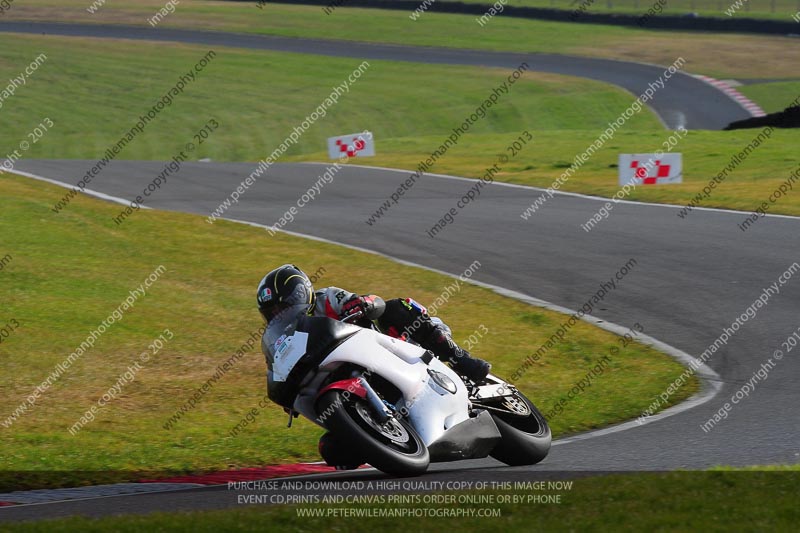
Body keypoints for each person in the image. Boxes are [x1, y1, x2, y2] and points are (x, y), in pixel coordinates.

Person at [256, 264, 490, 383]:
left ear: (300, 294)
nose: (281, 314)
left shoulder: (326, 298)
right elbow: (282, 370)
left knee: (396, 308)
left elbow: (372, 301)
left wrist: (362, 304)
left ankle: (459, 357)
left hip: (384, 348)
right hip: (345, 378)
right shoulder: (284, 339)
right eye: (273, 312)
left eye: (284, 306)